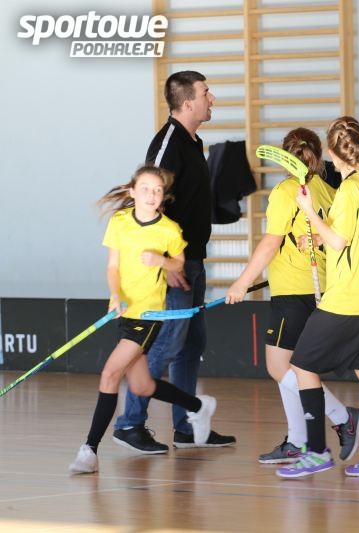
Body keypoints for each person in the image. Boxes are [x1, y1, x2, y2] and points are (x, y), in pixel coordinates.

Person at [225, 128, 359, 464]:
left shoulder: (287, 191)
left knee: (279, 367)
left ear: (285, 157)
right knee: (295, 367)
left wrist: (242, 282)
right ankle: (299, 440)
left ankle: (342, 417)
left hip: (293, 292)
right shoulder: (328, 190)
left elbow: (271, 242)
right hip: (321, 290)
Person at [113, 70, 235, 453]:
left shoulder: (193, 142)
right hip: (174, 268)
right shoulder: (169, 143)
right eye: (206, 92)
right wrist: (167, 263)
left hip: (192, 260)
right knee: (167, 343)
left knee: (191, 343)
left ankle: (187, 427)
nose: (212, 98)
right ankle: (130, 423)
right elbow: (150, 201)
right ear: (187, 102)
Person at [69, 166, 217, 474]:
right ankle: (198, 406)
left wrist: (161, 260)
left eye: (157, 190)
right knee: (143, 384)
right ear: (133, 192)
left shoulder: (169, 229)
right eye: (146, 189)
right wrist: (114, 294)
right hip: (125, 311)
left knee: (110, 373)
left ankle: (89, 450)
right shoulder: (120, 222)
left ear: (163, 196)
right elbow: (113, 266)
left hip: (148, 316)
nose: (152, 195)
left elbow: (178, 263)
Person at [276, 116, 359, 478]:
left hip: (346, 299)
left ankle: (316, 451)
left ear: (331, 153)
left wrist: (308, 212)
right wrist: (317, 237)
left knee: (301, 366)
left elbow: (339, 240)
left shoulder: (348, 190)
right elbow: (352, 238)